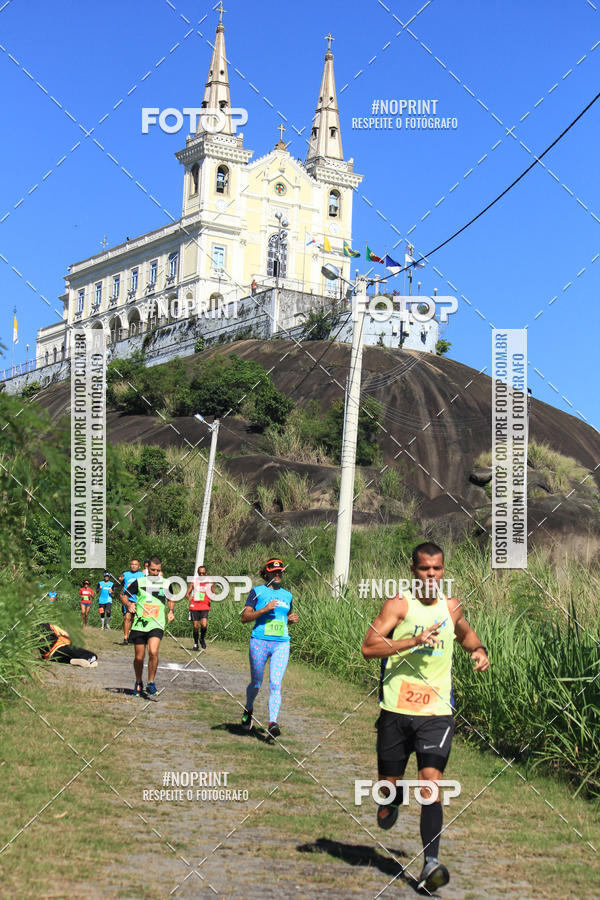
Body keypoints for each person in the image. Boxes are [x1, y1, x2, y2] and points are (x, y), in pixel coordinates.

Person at [361, 541, 490, 894]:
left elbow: (465, 633)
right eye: (424, 569)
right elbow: (369, 647)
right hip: (396, 710)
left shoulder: (451, 606)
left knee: (430, 784)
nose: (431, 575)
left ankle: (431, 862)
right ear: (413, 570)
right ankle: (389, 801)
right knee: (389, 784)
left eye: (436, 568)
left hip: (436, 713)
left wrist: (478, 650)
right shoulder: (399, 605)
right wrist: (414, 641)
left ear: (443, 570)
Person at [240, 558, 299, 738]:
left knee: (275, 683)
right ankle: (248, 709)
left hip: (281, 643)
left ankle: (273, 722)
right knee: (257, 682)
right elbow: (244, 617)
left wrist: (291, 619)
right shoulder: (257, 592)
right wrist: (264, 610)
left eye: (280, 571)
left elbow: (285, 615)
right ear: (267, 573)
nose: (278, 574)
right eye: (274, 572)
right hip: (259, 641)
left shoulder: (287, 595)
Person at [124, 555, 174, 697]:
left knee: (153, 652)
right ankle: (138, 682)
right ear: (147, 568)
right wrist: (129, 604)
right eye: (153, 570)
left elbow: (171, 598)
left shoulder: (165, 583)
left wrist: (171, 610)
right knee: (139, 657)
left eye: (158, 570)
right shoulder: (139, 582)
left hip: (156, 624)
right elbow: (124, 595)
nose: (155, 573)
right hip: (140, 624)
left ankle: (151, 682)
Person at [185, 564, 211, 650]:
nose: (202, 575)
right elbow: (187, 594)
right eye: (200, 573)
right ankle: (195, 643)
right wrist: (190, 598)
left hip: (204, 606)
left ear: (206, 573)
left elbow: (214, 593)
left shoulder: (209, 581)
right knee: (195, 626)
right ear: (198, 573)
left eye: (203, 573)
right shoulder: (194, 581)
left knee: (204, 625)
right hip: (195, 606)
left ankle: (202, 639)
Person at [119, 558, 141, 644]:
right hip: (127, 600)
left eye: (136, 564)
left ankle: (132, 635)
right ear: (129, 565)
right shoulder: (125, 574)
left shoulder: (142, 575)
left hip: (138, 600)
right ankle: (125, 637)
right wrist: (119, 581)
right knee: (127, 618)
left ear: (139, 566)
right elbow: (118, 584)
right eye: (132, 564)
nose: (133, 566)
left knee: (135, 619)